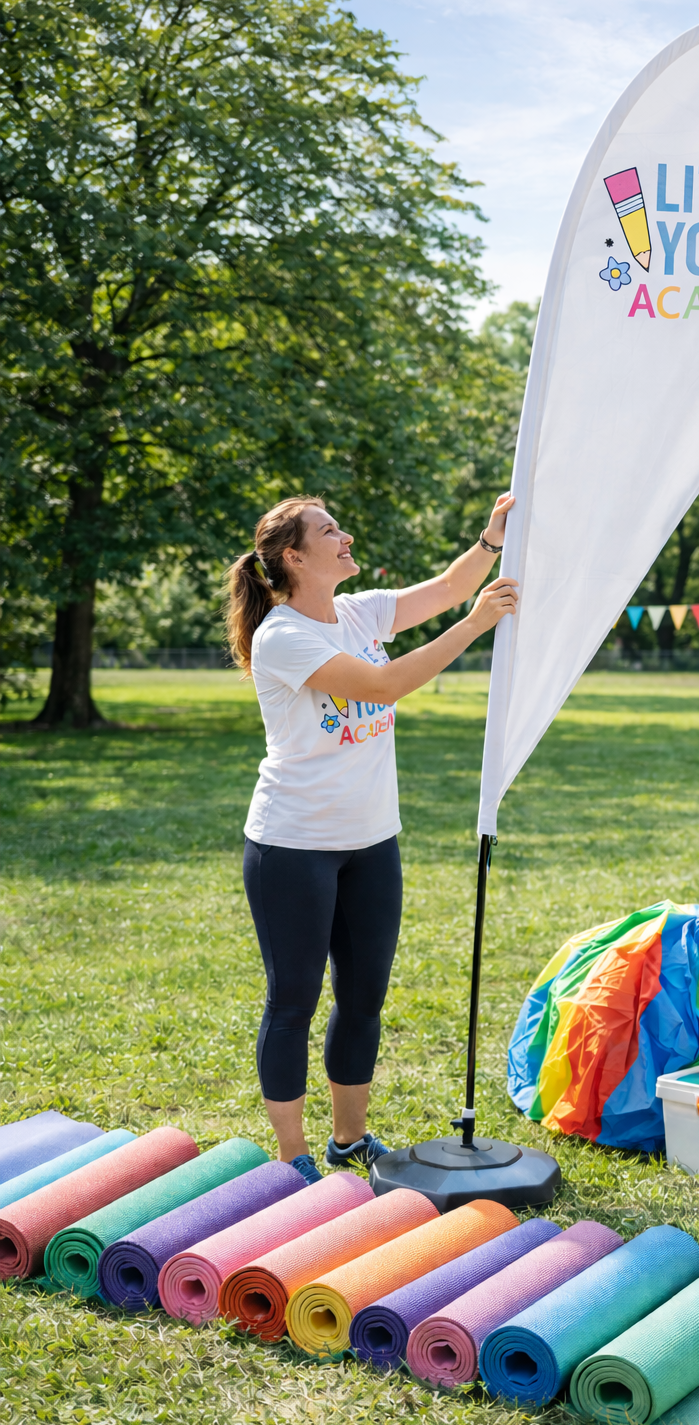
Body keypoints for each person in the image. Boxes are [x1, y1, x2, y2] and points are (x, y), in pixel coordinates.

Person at [224, 492, 517, 1182]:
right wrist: (475, 626)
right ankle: (293, 1157)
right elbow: (383, 688)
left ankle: (349, 1140)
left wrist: (491, 539)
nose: (347, 534)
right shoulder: (284, 635)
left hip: (372, 842)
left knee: (363, 998)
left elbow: (447, 588)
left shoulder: (359, 612)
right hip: (292, 846)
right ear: (295, 556)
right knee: (293, 999)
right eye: (331, 530)